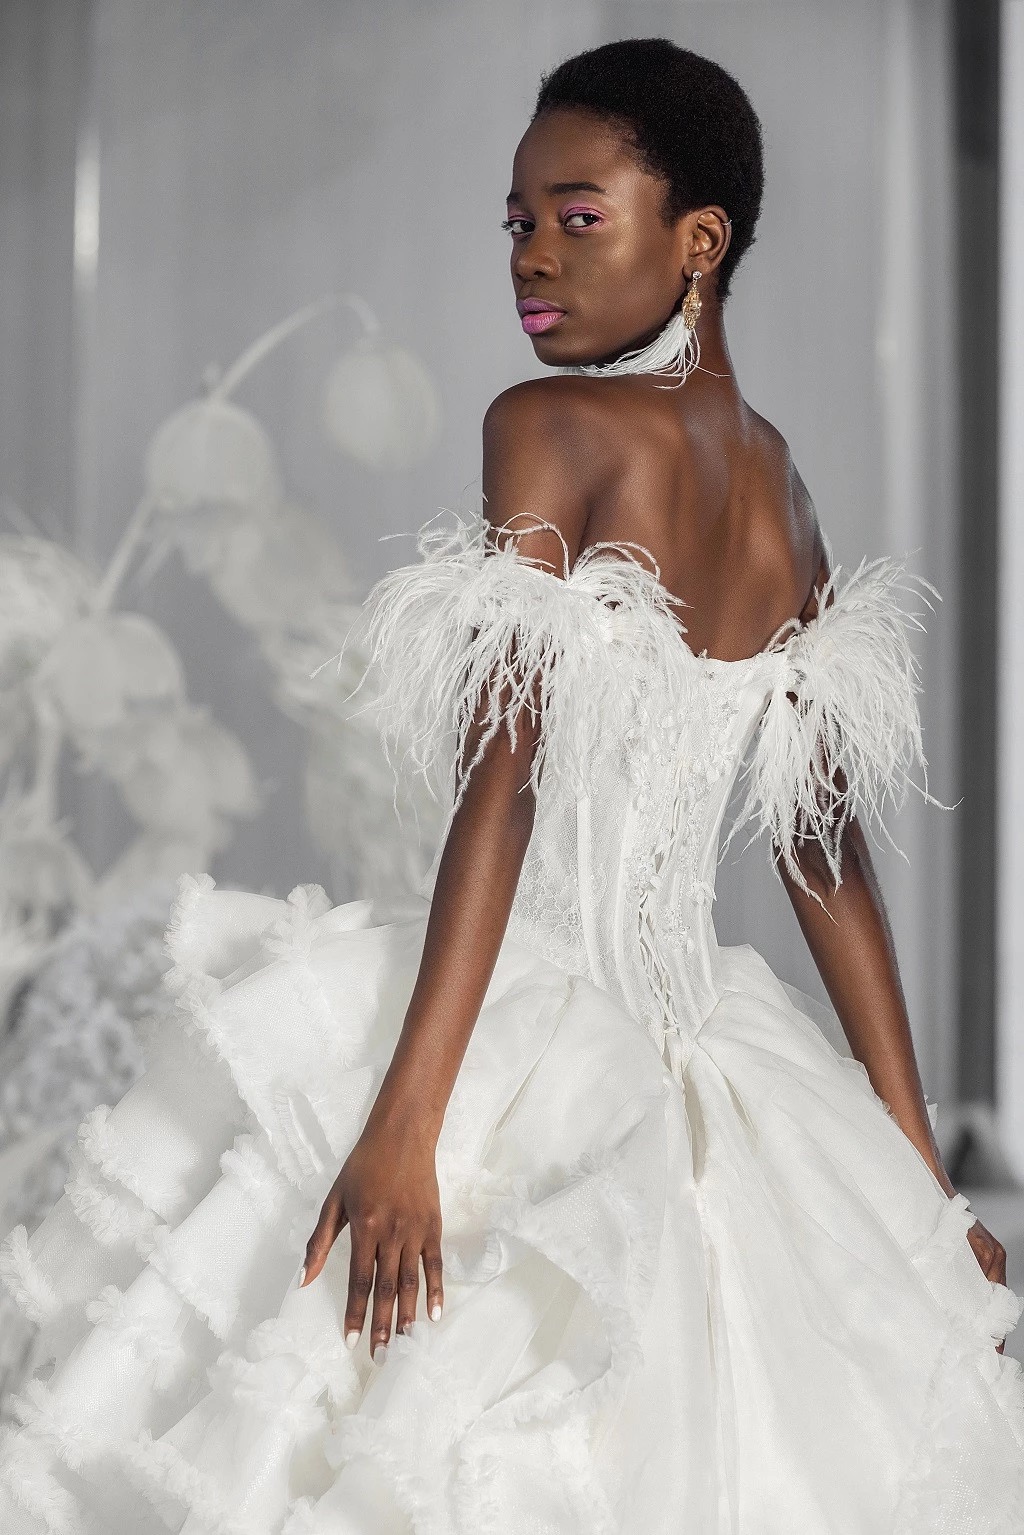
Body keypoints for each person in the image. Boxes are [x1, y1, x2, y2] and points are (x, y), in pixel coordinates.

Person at [2, 36, 1022, 1534]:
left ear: (700, 239)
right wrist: (916, 1187)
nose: (532, 254)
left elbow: (509, 784)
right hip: (719, 1068)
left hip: (527, 1024)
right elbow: (830, 868)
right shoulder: (782, 486)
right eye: (518, 220)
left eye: (578, 216)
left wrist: (408, 1120)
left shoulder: (547, 427)